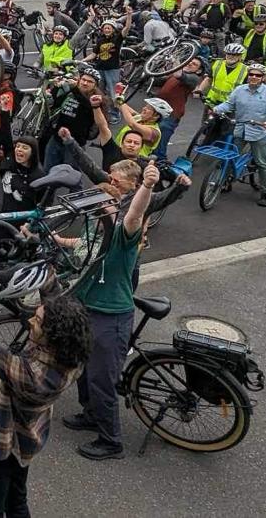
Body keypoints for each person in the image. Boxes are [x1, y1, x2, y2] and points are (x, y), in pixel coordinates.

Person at [0, 275, 89, 518]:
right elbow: (54, 296)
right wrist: (40, 264)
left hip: (1, 445)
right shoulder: (72, 355)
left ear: (51, 334)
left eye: (37, 321)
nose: (30, 321)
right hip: (28, 440)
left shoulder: (33, 375)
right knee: (16, 501)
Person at [62, 163, 159, 460]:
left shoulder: (123, 232)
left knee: (102, 380)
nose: (100, 206)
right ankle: (90, 414)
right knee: (83, 370)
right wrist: (51, 239)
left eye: (106, 203)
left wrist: (147, 186)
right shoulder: (96, 227)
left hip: (111, 315)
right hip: (87, 310)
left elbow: (135, 215)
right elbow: (81, 246)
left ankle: (111, 441)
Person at [211, 64, 266, 207]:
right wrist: (217, 109)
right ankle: (225, 182)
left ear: (263, 78)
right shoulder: (239, 90)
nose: (254, 77)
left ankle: (265, 192)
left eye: (258, 75)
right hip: (240, 129)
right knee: (232, 157)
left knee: (262, 163)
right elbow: (229, 104)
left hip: (259, 132)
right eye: (251, 74)